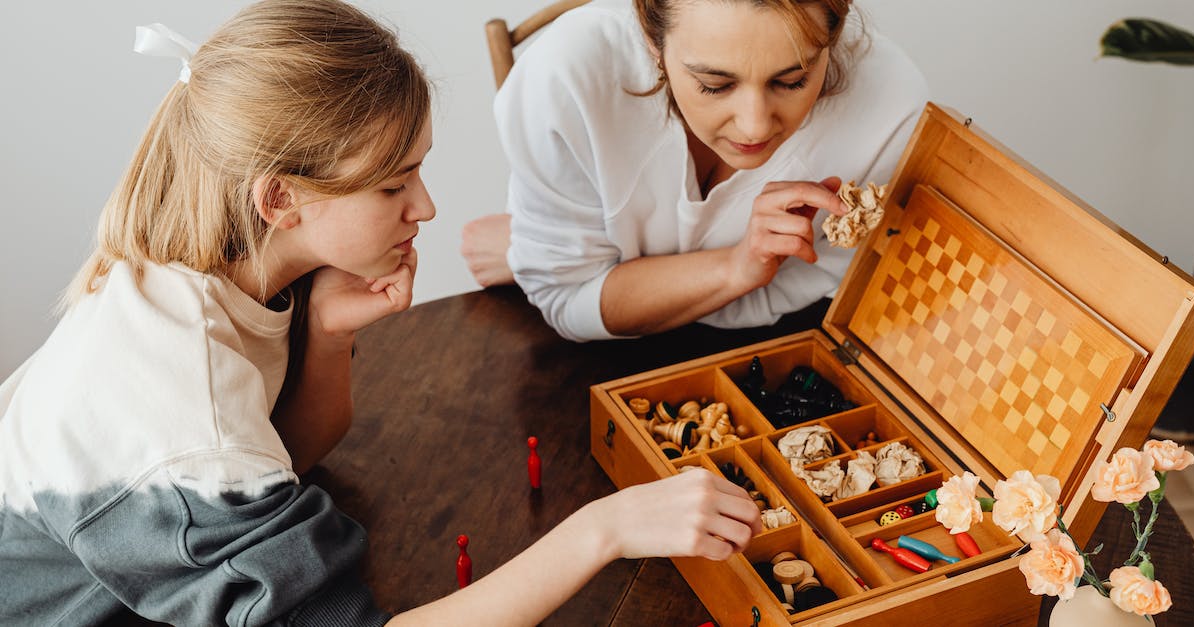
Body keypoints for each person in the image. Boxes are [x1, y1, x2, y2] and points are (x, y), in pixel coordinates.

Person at [0, 2, 762, 625]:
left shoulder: (232, 260)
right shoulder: (181, 430)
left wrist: (329, 335)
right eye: (395, 185)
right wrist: (609, 527)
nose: (424, 207)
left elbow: (282, 456)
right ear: (280, 198)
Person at [461, 0, 928, 341]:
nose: (754, 125)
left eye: (792, 81)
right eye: (713, 85)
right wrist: (736, 265)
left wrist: (594, 268)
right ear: (651, 40)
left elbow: (578, 289)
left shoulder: (889, 109)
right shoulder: (565, 79)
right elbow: (568, 302)